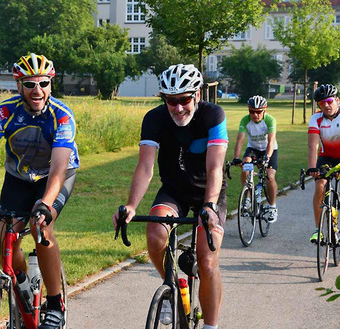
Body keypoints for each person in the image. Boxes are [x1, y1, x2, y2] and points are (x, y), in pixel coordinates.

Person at [0, 53, 79, 329]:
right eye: (30, 84)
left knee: (41, 228)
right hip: (19, 177)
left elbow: (60, 168)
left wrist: (45, 205)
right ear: (18, 86)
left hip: (55, 175)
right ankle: (23, 285)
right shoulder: (4, 112)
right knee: (6, 241)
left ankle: (54, 303)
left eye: (43, 83)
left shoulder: (61, 116)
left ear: (51, 84)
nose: (37, 90)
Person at [112, 63, 228, 329]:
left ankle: (211, 326)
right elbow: (145, 167)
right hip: (174, 190)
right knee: (155, 233)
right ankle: (172, 286)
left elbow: (214, 168)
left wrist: (209, 206)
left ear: (197, 95)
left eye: (184, 100)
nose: (178, 108)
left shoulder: (213, 116)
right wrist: (131, 205)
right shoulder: (154, 119)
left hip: (208, 192)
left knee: (207, 260)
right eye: (171, 101)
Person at [232, 95, 279, 223]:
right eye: (252, 111)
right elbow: (240, 140)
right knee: (245, 164)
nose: (255, 115)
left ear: (264, 110)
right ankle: (247, 196)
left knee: (270, 176)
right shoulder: (245, 120)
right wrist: (236, 158)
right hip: (253, 149)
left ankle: (272, 206)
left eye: (258, 112)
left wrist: (267, 158)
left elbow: (271, 141)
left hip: (269, 150)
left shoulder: (270, 120)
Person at [307, 84, 340, 243]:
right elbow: (313, 145)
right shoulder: (316, 118)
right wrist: (312, 168)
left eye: (329, 101)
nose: (326, 105)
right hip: (326, 158)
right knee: (320, 185)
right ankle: (318, 229)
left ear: (337, 100)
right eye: (321, 103)